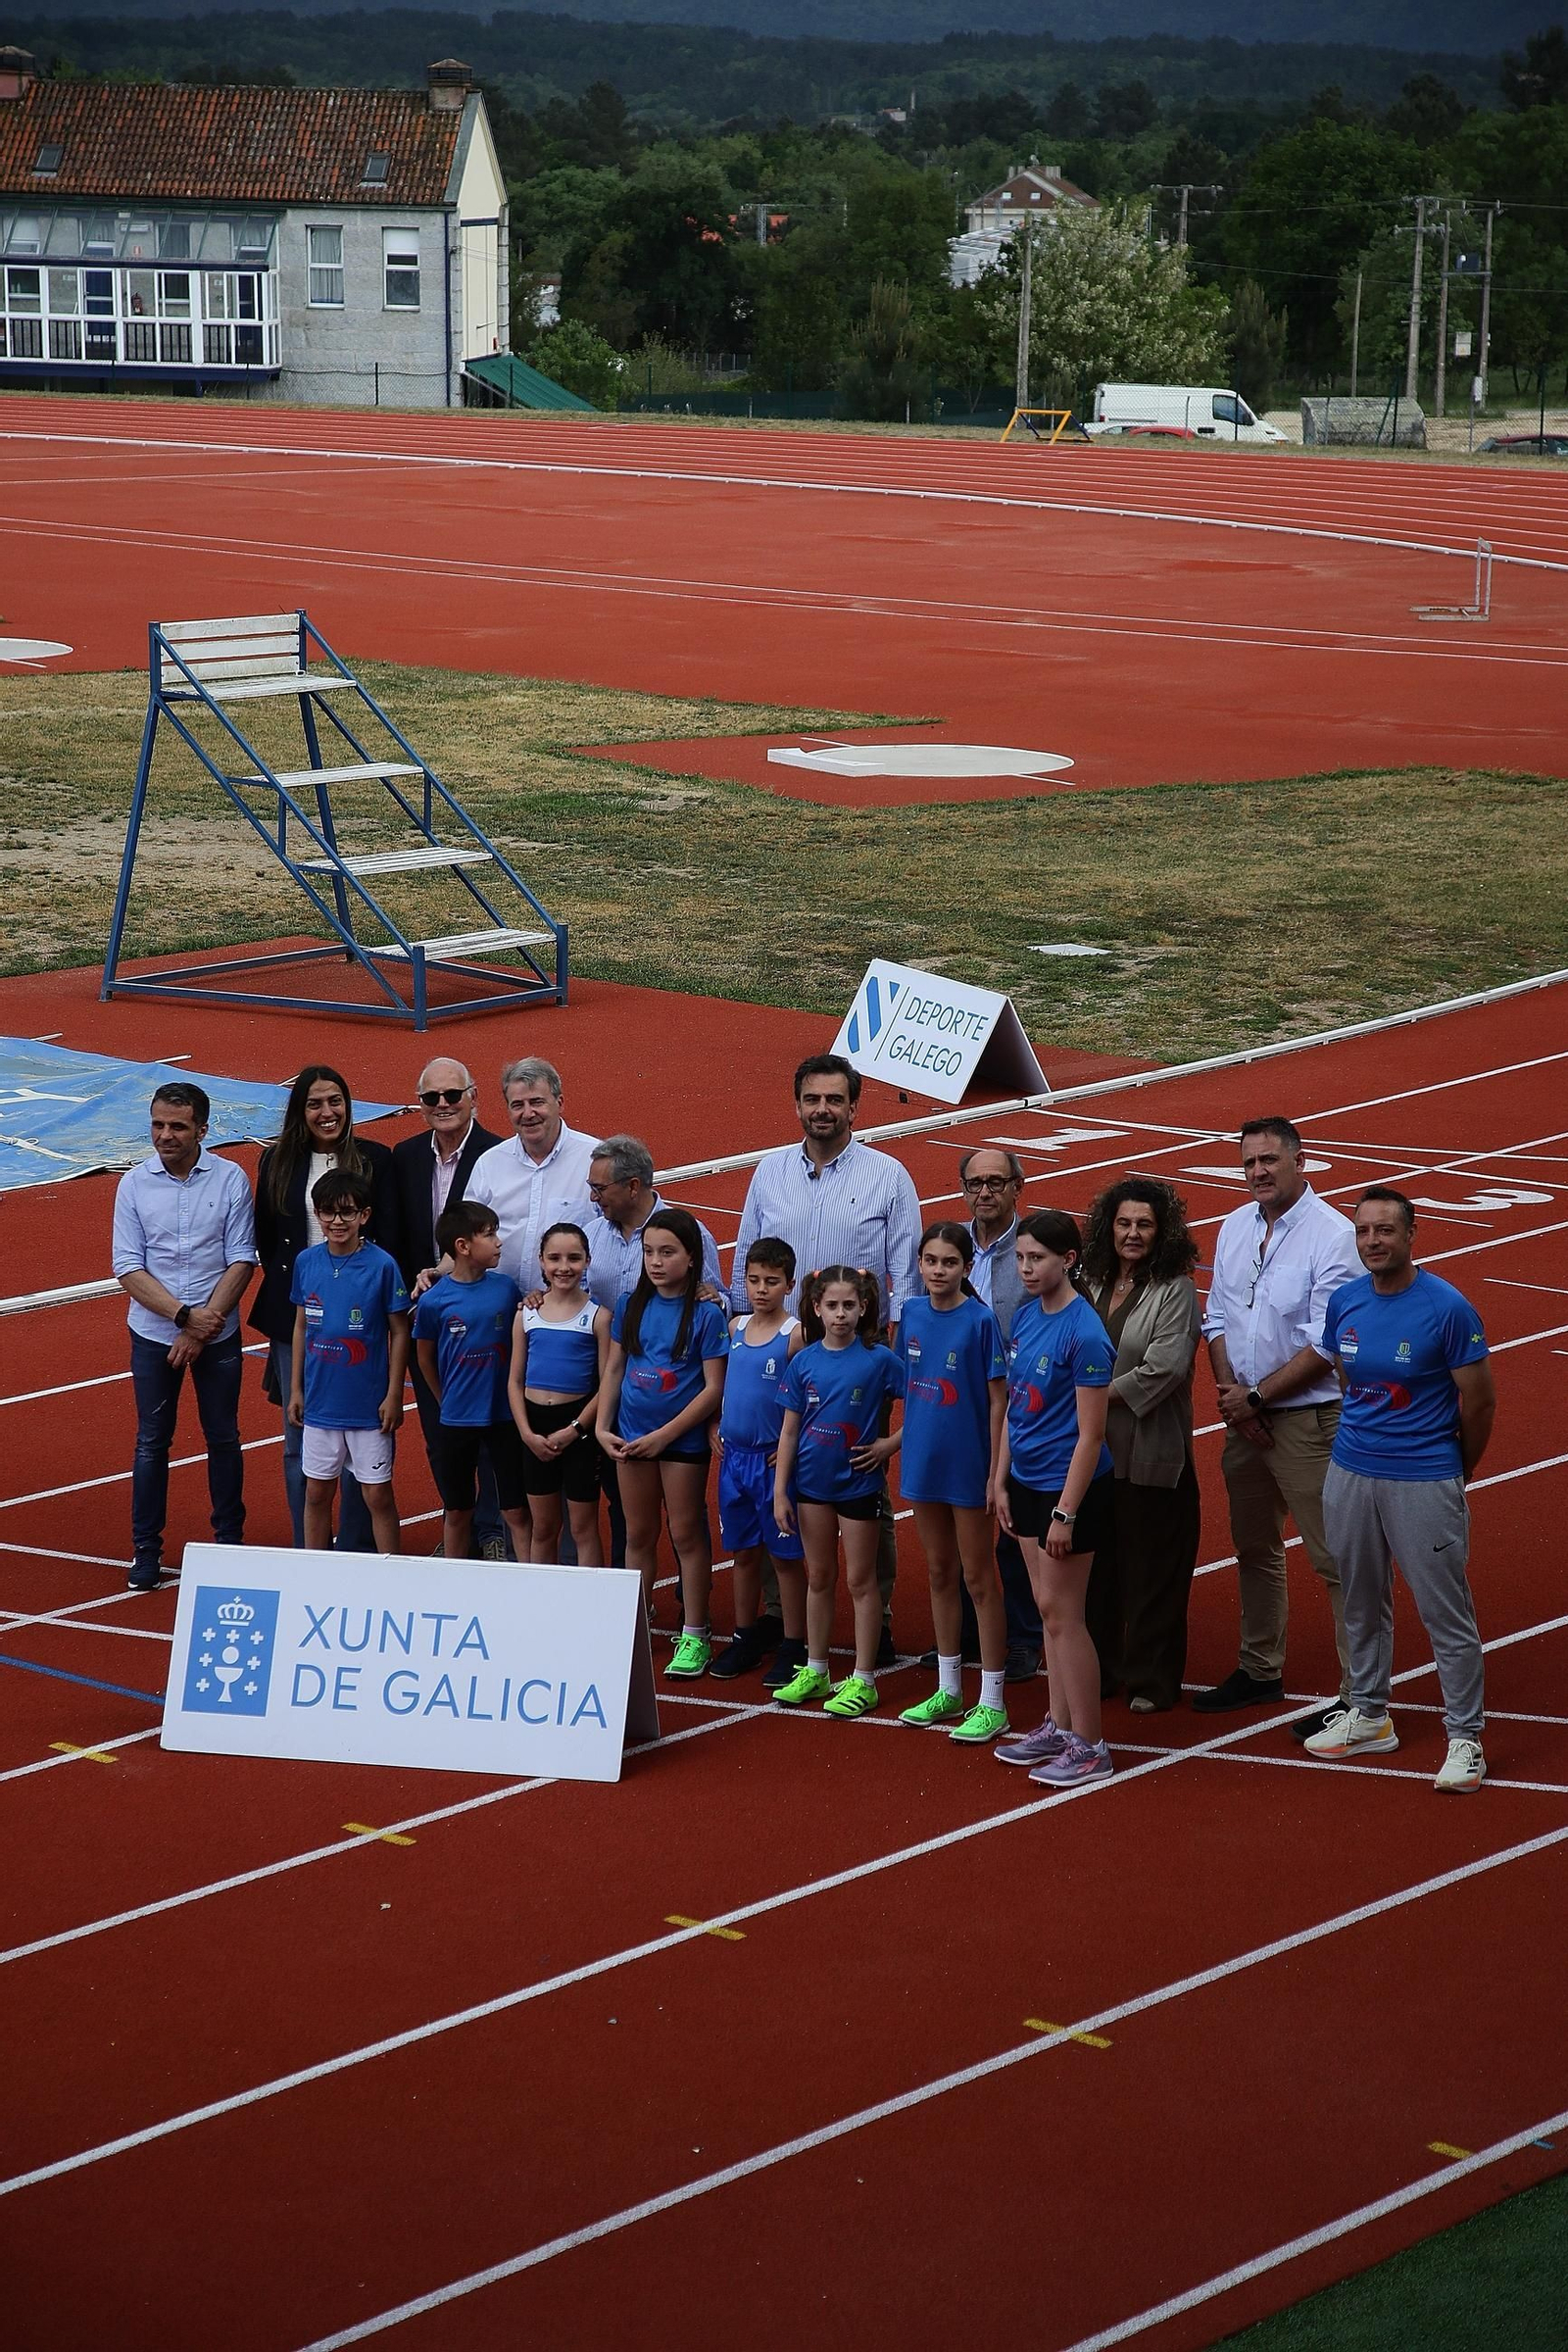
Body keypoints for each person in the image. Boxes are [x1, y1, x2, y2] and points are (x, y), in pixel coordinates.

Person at [1305, 1187, 1496, 1793]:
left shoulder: (1447, 1308)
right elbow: (1346, 1376)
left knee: (1445, 1611)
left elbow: (1481, 1399)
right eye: (1363, 1232)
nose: (1372, 1242)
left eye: (1385, 1231)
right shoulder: (1346, 1302)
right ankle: (1370, 1713)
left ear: (1412, 1235)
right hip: (1351, 1472)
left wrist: (1453, 1467)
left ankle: (1465, 1737)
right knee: (1360, 1597)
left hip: (1423, 1477)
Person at [732, 1054, 921, 1662]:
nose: (822, 1110)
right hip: (785, 1345)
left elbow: (906, 1275)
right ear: (797, 1105)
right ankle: (781, 1618)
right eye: (812, 1099)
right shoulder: (769, 1172)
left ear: (853, 1106)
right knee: (777, 1473)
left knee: (864, 1478)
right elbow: (746, 1264)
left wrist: (891, 1350)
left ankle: (879, 1618)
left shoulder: (889, 1175)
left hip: (862, 1354)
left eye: (834, 1100)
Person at [1198, 1115, 1360, 1740]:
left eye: (1269, 1160)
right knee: (1255, 1549)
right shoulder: (1236, 1225)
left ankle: (1358, 1694)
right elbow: (1216, 1320)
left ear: (1300, 1161)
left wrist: (1258, 1397)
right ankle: (1260, 1667)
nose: (1258, 1172)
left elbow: (1328, 1342)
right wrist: (1234, 1399)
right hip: (1246, 1421)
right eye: (1249, 1163)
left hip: (1308, 1423)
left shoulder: (1333, 1235)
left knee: (1335, 1559)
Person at [112, 1083, 257, 1592]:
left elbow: (242, 1258)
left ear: (201, 1128)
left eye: (177, 1126)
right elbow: (127, 1267)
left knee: (223, 1437)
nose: (165, 1135)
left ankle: (229, 1545)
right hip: (156, 1334)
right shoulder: (132, 1185)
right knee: (152, 1442)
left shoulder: (232, 1179)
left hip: (216, 1335)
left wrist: (204, 1325)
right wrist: (183, 1318)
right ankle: (146, 1551)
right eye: (158, 1125)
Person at [993, 1210, 1118, 1786]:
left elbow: (1091, 1434)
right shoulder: (1024, 1317)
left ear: (1067, 1260)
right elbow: (1015, 1409)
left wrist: (1065, 1512)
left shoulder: (1085, 1330)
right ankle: (1058, 1723)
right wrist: (1000, 1479)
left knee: (1065, 1615)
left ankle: (1091, 1744)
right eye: (1020, 1258)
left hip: (1069, 1490)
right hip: (1026, 1482)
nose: (1026, 1268)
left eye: (1036, 1258)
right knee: (1047, 1609)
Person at [251, 1064, 398, 1551]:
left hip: (365, 1326)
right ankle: (307, 1551)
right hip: (300, 1314)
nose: (326, 1112)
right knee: (301, 1439)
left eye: (334, 1101)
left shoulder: (377, 1158)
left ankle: (356, 1546)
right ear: (301, 1110)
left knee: (361, 1438)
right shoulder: (276, 1162)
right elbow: (267, 1238)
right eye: (315, 1103)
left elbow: (392, 1235)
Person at [1081, 1177, 1202, 1714]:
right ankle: (1102, 1669)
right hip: (1093, 1456)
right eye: (1124, 1223)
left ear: (1163, 1232)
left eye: (1144, 1225)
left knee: (1153, 1572)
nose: (1132, 1234)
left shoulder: (1175, 1288)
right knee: (1098, 1570)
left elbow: (1166, 1367)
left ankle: (1151, 1679)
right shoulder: (1090, 1280)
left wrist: (1091, 1398)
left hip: (1152, 1453)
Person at [599, 1208, 729, 1678]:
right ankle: (635, 1625)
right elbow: (615, 1369)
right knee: (636, 1534)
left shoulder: (707, 1314)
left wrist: (664, 1436)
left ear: (692, 1258)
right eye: (649, 1251)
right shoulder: (632, 1303)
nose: (656, 1261)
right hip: (630, 1438)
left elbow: (713, 1388)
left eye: (667, 1252)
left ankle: (695, 1632)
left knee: (685, 1534)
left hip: (679, 1443)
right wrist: (601, 1427)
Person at [895, 1223, 1011, 1744]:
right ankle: (948, 1687)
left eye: (948, 1262)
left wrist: (994, 1473)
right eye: (929, 1261)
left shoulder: (980, 1321)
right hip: (922, 1464)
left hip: (968, 1467)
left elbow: (996, 1401)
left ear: (966, 1267)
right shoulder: (912, 1315)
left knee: (978, 1579)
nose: (937, 1271)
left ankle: (992, 1698)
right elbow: (911, 1393)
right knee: (939, 1573)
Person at [771, 1267, 906, 1719]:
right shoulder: (804, 1361)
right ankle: (817, 1668)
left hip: (859, 1486)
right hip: (811, 1488)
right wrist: (780, 1492)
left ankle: (864, 1679)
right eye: (832, 1306)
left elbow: (923, 1400)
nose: (841, 1314)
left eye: (850, 1305)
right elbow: (789, 1433)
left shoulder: (879, 1359)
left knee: (860, 1581)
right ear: (816, 1308)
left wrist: (891, 1443)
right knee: (820, 1577)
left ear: (864, 1307)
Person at [391, 1055, 507, 1558]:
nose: (442, 1105)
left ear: (473, 1096)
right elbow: (398, 1234)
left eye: (451, 1095)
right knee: (442, 1434)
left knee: (493, 1435)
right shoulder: (405, 1155)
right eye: (430, 1098)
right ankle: (458, 1530)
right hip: (430, 1319)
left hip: (482, 1316)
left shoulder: (498, 1155)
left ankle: (493, 1534)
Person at [287, 1168, 410, 1555]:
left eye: (346, 1212)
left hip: (367, 1408)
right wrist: (295, 1389)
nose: (337, 1221)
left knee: (377, 1497)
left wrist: (394, 1395)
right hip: (321, 1406)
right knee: (317, 1493)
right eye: (328, 1213)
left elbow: (400, 1330)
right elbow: (300, 1325)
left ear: (364, 1215)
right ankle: (315, 1572)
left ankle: (392, 1574)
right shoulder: (307, 1262)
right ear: (317, 1216)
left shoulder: (382, 1266)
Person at [957, 1146, 1044, 1682]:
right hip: (959, 1410)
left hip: (1018, 1411)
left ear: (1018, 1186)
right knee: (962, 1522)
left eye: (995, 1182)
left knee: (1013, 1528)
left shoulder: (1033, 1249)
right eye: (974, 1183)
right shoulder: (947, 1247)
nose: (984, 1192)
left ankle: (1025, 1637)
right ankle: (969, 1632)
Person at [710, 1237, 808, 1685]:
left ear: (789, 1283)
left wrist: (791, 1449)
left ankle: (793, 1643)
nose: (761, 1289)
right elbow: (723, 1385)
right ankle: (745, 1636)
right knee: (743, 1554)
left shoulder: (795, 1335)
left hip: (771, 1465)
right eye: (753, 1280)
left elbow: (810, 1398)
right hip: (734, 1461)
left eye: (772, 1281)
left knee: (785, 1558)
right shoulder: (734, 1328)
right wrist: (715, 1425)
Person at [413, 1200, 531, 1564]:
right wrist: (443, 1398)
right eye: (489, 1234)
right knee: (457, 1509)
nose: (499, 1242)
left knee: (515, 1509)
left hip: (504, 1417)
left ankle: (530, 1580)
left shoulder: (506, 1289)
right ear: (462, 1246)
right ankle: (455, 1581)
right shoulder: (434, 1301)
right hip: (457, 1420)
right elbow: (424, 1357)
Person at [509, 1221, 611, 1567]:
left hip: (578, 1430)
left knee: (583, 1528)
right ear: (540, 1261)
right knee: (543, 1528)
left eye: (574, 1258)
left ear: (587, 1261)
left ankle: (590, 1609)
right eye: (554, 1258)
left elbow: (607, 1383)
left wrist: (576, 1430)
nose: (564, 1267)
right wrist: (526, 1434)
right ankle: (540, 1609)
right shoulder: (527, 1313)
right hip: (534, 1428)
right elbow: (514, 1381)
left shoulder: (598, 1317)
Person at [463, 1057, 600, 1292]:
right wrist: (439, 1271)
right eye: (517, 1105)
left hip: (567, 1310)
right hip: (500, 1308)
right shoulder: (490, 1163)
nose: (528, 1114)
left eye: (537, 1102)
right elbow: (466, 1232)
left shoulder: (594, 1159)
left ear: (560, 1103)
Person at [581, 1134, 724, 1308]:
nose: (593, 1197)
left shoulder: (692, 1233)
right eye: (591, 1187)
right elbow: (573, 1297)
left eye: (600, 1188)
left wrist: (717, 1301)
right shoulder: (590, 1234)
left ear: (633, 1186)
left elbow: (717, 1298)